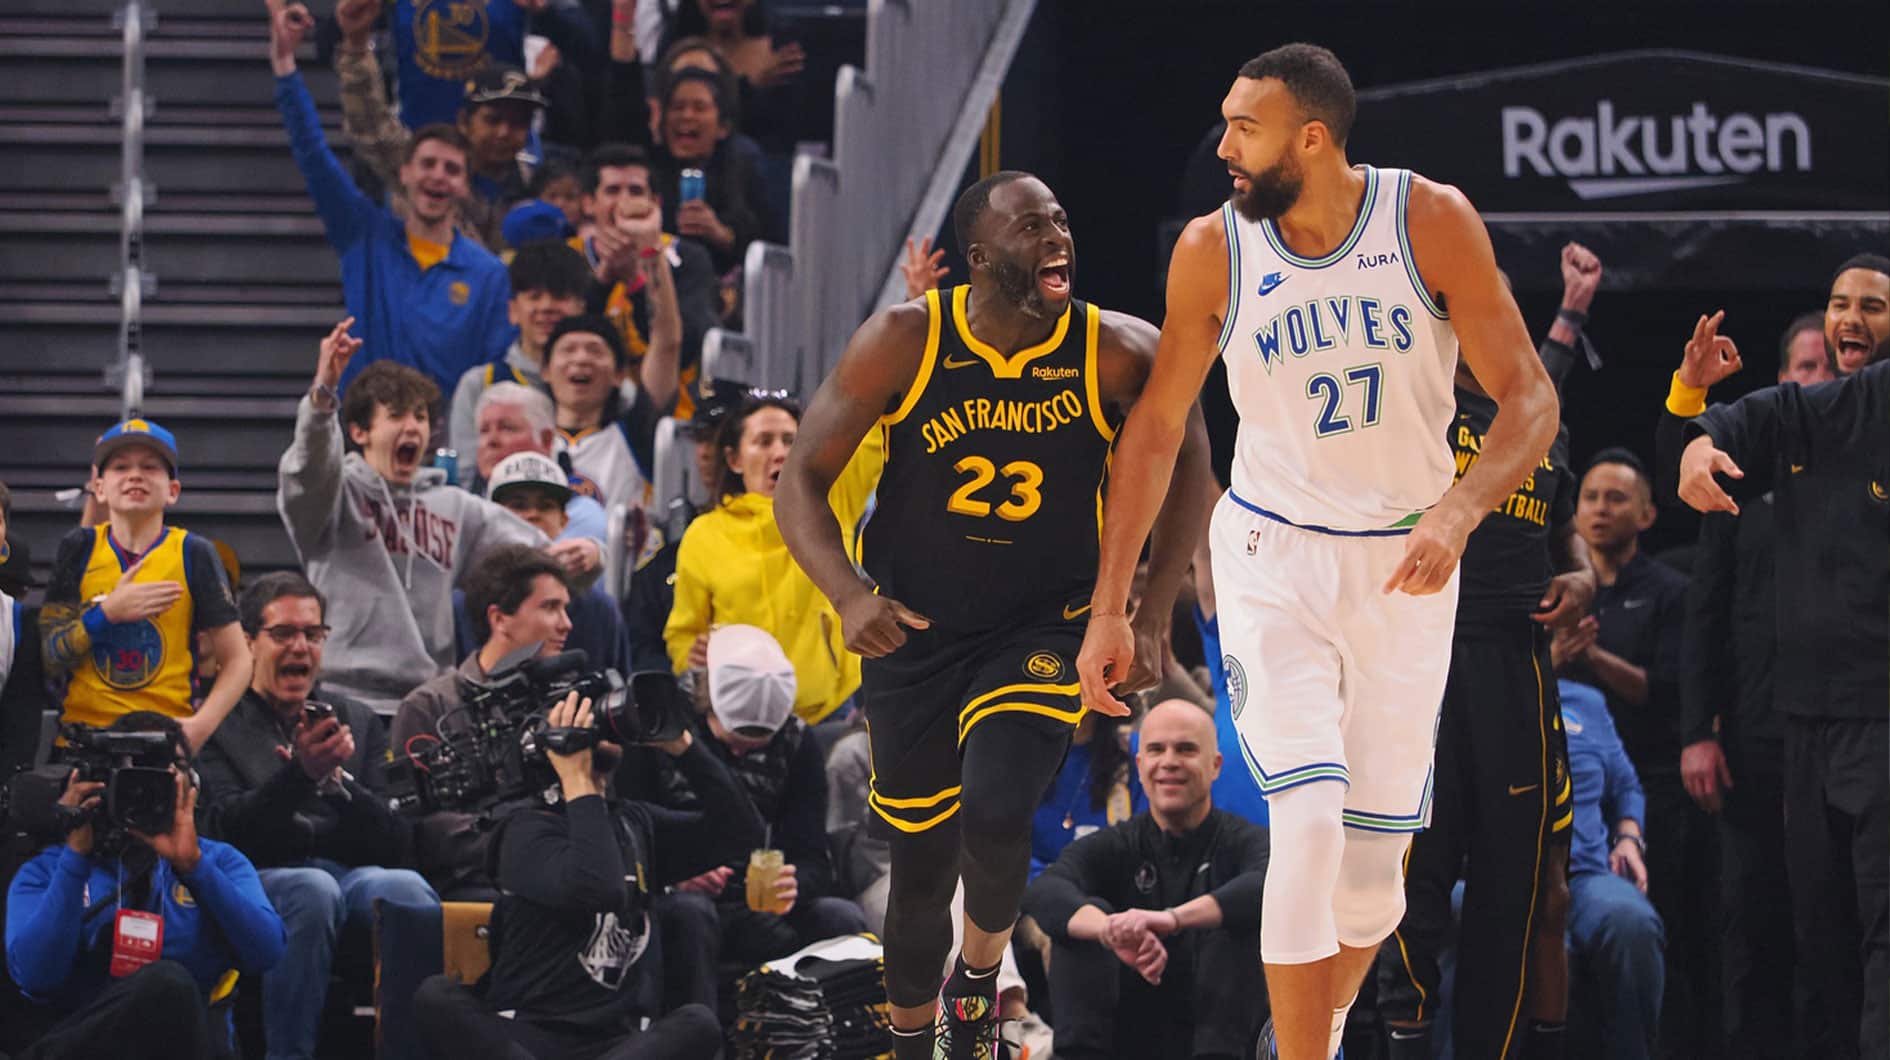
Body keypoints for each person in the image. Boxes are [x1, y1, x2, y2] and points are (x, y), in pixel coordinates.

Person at [1074, 44, 1558, 1060]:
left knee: (1375, 880)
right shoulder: (1214, 248)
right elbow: (1158, 430)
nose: (1223, 147)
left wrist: (1462, 508)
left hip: (1404, 568)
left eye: (1243, 128)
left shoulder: (1428, 220)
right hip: (1273, 558)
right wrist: (1112, 606)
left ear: (1312, 137)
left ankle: (1320, 1024)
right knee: (1307, 816)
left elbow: (1531, 400)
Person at [775, 168, 1212, 1058]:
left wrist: (1153, 600)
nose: (1057, 236)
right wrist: (849, 595)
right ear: (979, 256)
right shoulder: (904, 340)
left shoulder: (1114, 348)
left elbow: (1189, 450)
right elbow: (801, 480)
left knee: (1000, 803)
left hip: (1044, 623)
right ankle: (910, 1043)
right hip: (917, 631)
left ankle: (977, 981)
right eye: (1031, 226)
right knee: (922, 873)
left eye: (1061, 220)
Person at [1376, 245, 1600, 1060]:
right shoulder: (1404, 409)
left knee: (1522, 891)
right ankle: (1395, 1043)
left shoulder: (1545, 422)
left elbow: (1566, 536)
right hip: (1418, 666)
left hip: (1518, 667)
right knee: (1412, 886)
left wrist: (1579, 578)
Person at [1661, 301, 1887, 1060]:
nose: (1847, 329)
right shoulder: (1773, 440)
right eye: (1838, 312)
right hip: (1772, 731)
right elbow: (1706, 605)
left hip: (1868, 718)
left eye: (1871, 309)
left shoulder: (1870, 421)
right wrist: (1691, 411)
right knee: (1776, 928)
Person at [409, 690, 752, 1060]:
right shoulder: (523, 831)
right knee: (436, 995)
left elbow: (741, 830)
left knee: (698, 1023)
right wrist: (576, 777)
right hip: (529, 1037)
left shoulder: (635, 823)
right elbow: (596, 888)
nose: (599, 728)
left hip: (617, 1045)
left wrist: (682, 744)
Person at [197, 573, 437, 1060]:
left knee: (406, 889)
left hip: (347, 876)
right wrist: (299, 778)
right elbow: (223, 833)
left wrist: (338, 786)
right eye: (284, 634)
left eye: (313, 634)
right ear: (247, 642)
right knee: (312, 890)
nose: (301, 647)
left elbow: (397, 842)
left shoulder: (358, 719)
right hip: (253, 878)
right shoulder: (216, 721)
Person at [279, 321, 548, 716]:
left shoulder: (455, 505)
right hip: (344, 697)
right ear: (359, 431)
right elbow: (307, 468)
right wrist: (322, 399)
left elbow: (536, 556)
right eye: (397, 416)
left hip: (429, 702)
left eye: (420, 417)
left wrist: (590, 552)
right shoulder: (335, 494)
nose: (412, 427)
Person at [5, 713, 287, 1059]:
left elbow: (267, 951)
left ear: (191, 785)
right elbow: (36, 977)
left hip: (189, 1044)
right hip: (85, 1042)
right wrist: (76, 858)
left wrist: (194, 868)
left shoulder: (220, 862)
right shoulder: (48, 870)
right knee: (163, 985)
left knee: (169, 987)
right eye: (129, 777)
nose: (141, 792)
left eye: (158, 775)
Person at [268, 0, 513, 396]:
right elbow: (313, 154)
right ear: (405, 173)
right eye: (428, 164)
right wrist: (283, 63)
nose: (437, 176)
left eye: (451, 169)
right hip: (362, 439)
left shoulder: (488, 275)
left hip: (444, 449)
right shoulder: (364, 236)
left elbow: (492, 377)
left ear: (465, 185)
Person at [1021, 699, 1270, 1060]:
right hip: (1128, 1029)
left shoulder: (1244, 840)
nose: (1169, 761)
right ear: (1140, 766)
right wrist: (1111, 928)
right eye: (1156, 750)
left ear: (1215, 765)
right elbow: (1046, 891)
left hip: (1222, 1036)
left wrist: (1173, 919)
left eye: (1185, 749)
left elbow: (1269, 883)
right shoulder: (1118, 843)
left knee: (1237, 923)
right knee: (1082, 921)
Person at [1566, 447, 1710, 1055]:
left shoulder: (1671, 591)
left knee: (1653, 926)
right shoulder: (1555, 590)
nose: (1601, 510)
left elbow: (1664, 689)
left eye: (1616, 498)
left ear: (1648, 514)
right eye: (1591, 498)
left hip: (1647, 779)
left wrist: (1589, 656)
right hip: (1557, 775)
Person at [619, 624, 867, 967]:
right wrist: (675, 874)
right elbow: (629, 827)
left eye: (756, 744)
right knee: (692, 915)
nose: (740, 753)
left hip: (759, 897)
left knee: (840, 918)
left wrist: (795, 883)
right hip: (677, 893)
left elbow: (812, 853)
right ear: (707, 705)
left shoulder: (795, 741)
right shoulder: (664, 729)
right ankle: (696, 1019)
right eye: (733, 739)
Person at [668, 393, 883, 734]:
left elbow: (872, 432)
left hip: (829, 714)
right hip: (739, 719)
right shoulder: (703, 535)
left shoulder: (835, 500)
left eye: (791, 441)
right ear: (734, 459)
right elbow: (683, 633)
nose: (780, 453)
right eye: (763, 442)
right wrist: (692, 655)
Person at [40, 420, 251, 753]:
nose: (135, 475)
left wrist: (199, 728)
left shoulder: (194, 553)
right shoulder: (78, 547)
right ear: (99, 487)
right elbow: (49, 654)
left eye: (150, 467)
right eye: (120, 467)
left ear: (173, 490)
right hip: (81, 744)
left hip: (163, 743)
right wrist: (107, 613)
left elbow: (238, 659)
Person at [392, 543, 574, 897]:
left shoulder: (567, 704)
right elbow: (414, 830)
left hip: (563, 875)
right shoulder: (429, 706)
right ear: (499, 618)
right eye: (551, 607)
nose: (566, 624)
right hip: (472, 885)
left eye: (566, 608)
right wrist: (515, 836)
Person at [1553, 678, 1664, 1060]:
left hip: (1585, 872)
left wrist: (1629, 836)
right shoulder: (1479, 688)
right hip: (1499, 876)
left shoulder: (1587, 702)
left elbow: (1627, 785)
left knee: (1631, 921)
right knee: (1546, 950)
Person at [572, 143, 716, 414]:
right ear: (589, 203)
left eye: (636, 191)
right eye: (613, 190)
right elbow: (561, 343)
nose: (625, 201)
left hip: (667, 419)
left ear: (656, 203)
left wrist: (637, 284)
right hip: (588, 415)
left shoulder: (687, 258)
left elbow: (683, 350)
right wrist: (603, 281)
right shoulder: (567, 259)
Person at [473, 451, 630, 672]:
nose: (532, 515)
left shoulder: (597, 609)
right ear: (491, 516)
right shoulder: (466, 602)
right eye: (518, 505)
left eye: (546, 506)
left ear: (564, 520)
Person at [447, 241, 593, 465]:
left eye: (559, 296)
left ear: (581, 308)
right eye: (534, 296)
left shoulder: (604, 384)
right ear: (512, 310)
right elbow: (465, 479)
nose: (546, 307)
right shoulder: (478, 385)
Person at [545, 314, 677, 512]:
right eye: (568, 349)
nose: (581, 359)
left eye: (595, 350)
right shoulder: (527, 440)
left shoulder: (637, 435)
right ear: (545, 371)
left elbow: (667, 344)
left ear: (619, 374)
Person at [651, 68, 770, 273]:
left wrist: (722, 234)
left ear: (722, 127)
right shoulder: (648, 175)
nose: (687, 115)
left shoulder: (743, 172)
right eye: (677, 107)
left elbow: (769, 249)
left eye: (699, 107)